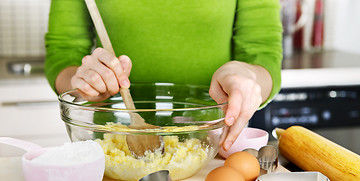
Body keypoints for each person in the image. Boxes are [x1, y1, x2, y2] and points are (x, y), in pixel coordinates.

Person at [45, 0, 283, 151]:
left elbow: (264, 56)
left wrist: (246, 75)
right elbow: (62, 55)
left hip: (214, 149)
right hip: (112, 145)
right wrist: (86, 80)